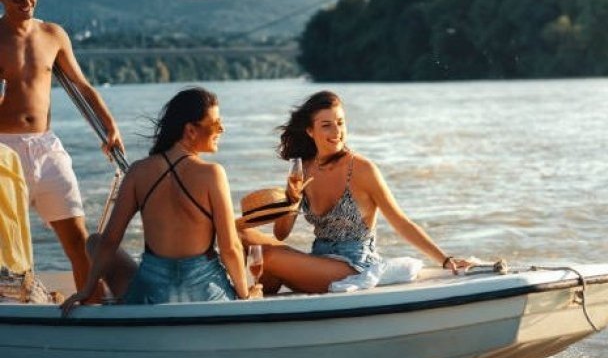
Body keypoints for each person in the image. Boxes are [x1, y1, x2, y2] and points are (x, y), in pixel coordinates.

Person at [240, 90, 474, 294]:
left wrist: (444, 259)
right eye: (326, 125)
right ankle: (256, 294)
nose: (337, 131)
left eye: (340, 122)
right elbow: (281, 234)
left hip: (353, 267)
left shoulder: (362, 169)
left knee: (268, 257)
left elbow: (400, 222)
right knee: (241, 235)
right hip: (319, 261)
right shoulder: (304, 168)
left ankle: (261, 289)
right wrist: (291, 200)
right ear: (310, 131)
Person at [60, 88, 248, 315]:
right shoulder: (212, 174)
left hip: (151, 295)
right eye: (216, 124)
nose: (222, 129)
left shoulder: (138, 172)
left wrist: (87, 289)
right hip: (204, 294)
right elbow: (230, 248)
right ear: (190, 130)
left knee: (94, 241)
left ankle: (115, 302)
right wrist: (244, 297)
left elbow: (110, 241)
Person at [0, 0, 124, 300]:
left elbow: (82, 86)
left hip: (46, 147)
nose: (26, 2)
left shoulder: (53, 34)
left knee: (78, 239)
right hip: (4, 152)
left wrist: (110, 127)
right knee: (5, 246)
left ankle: (93, 309)